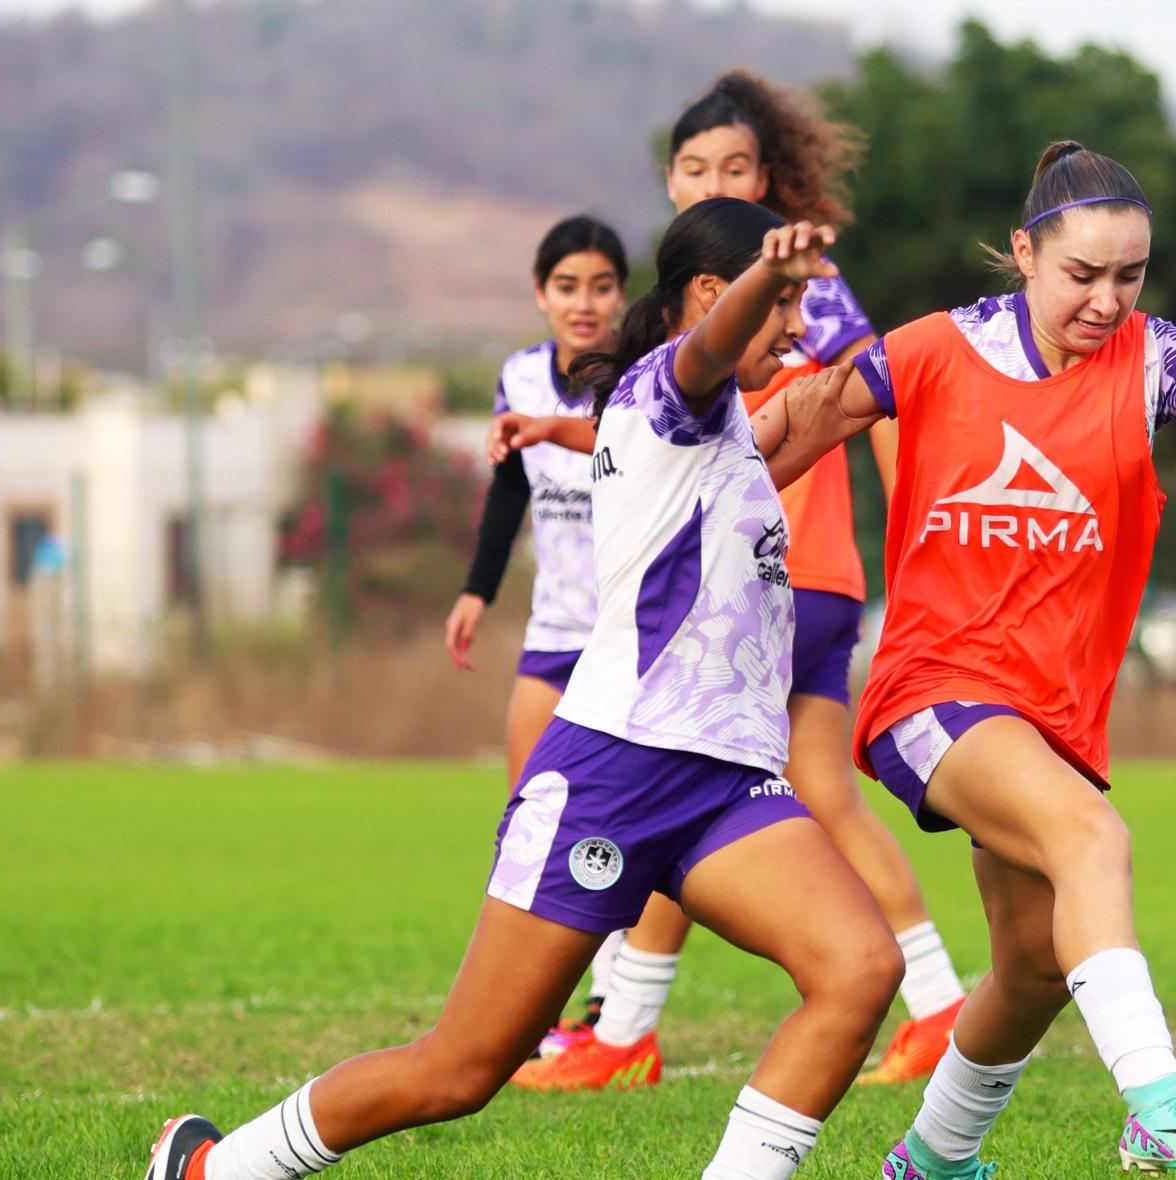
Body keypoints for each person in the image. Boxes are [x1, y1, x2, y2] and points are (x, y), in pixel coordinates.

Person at [145, 199, 903, 1180]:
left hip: (723, 786)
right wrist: (768, 271)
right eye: (784, 305)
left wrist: (1032, 317)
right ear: (715, 294)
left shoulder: (732, 442)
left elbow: (849, 393)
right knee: (459, 1071)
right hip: (611, 774)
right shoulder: (662, 394)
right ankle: (214, 1169)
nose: (797, 325)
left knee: (857, 968)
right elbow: (715, 343)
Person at [768, 141, 1176, 1178]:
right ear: (1024, 254)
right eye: (1081, 274)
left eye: (1129, 275)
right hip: (931, 691)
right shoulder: (930, 350)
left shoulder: (1155, 356)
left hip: (1050, 717)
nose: (1107, 299)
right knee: (1089, 837)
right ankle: (1160, 1104)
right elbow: (778, 442)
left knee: (1031, 968)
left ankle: (932, 1160)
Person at [520, 69, 965, 1095]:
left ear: (770, 183)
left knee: (767, 788)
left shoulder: (788, 286)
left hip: (784, 578)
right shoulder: (698, 324)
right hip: (738, 591)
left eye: (733, 167)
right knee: (751, 791)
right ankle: (629, 1023)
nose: (709, 180)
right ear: (669, 183)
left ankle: (629, 1022)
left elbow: (869, 398)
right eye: (692, 168)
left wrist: (917, 546)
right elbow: (671, 412)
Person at [443, 215, 626, 788]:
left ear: (621, 294)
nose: (584, 303)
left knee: (637, 835)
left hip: (632, 639)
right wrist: (478, 590)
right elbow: (511, 485)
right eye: (567, 285)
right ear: (540, 292)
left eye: (601, 286)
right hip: (554, 629)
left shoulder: (645, 376)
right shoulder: (520, 376)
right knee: (529, 813)